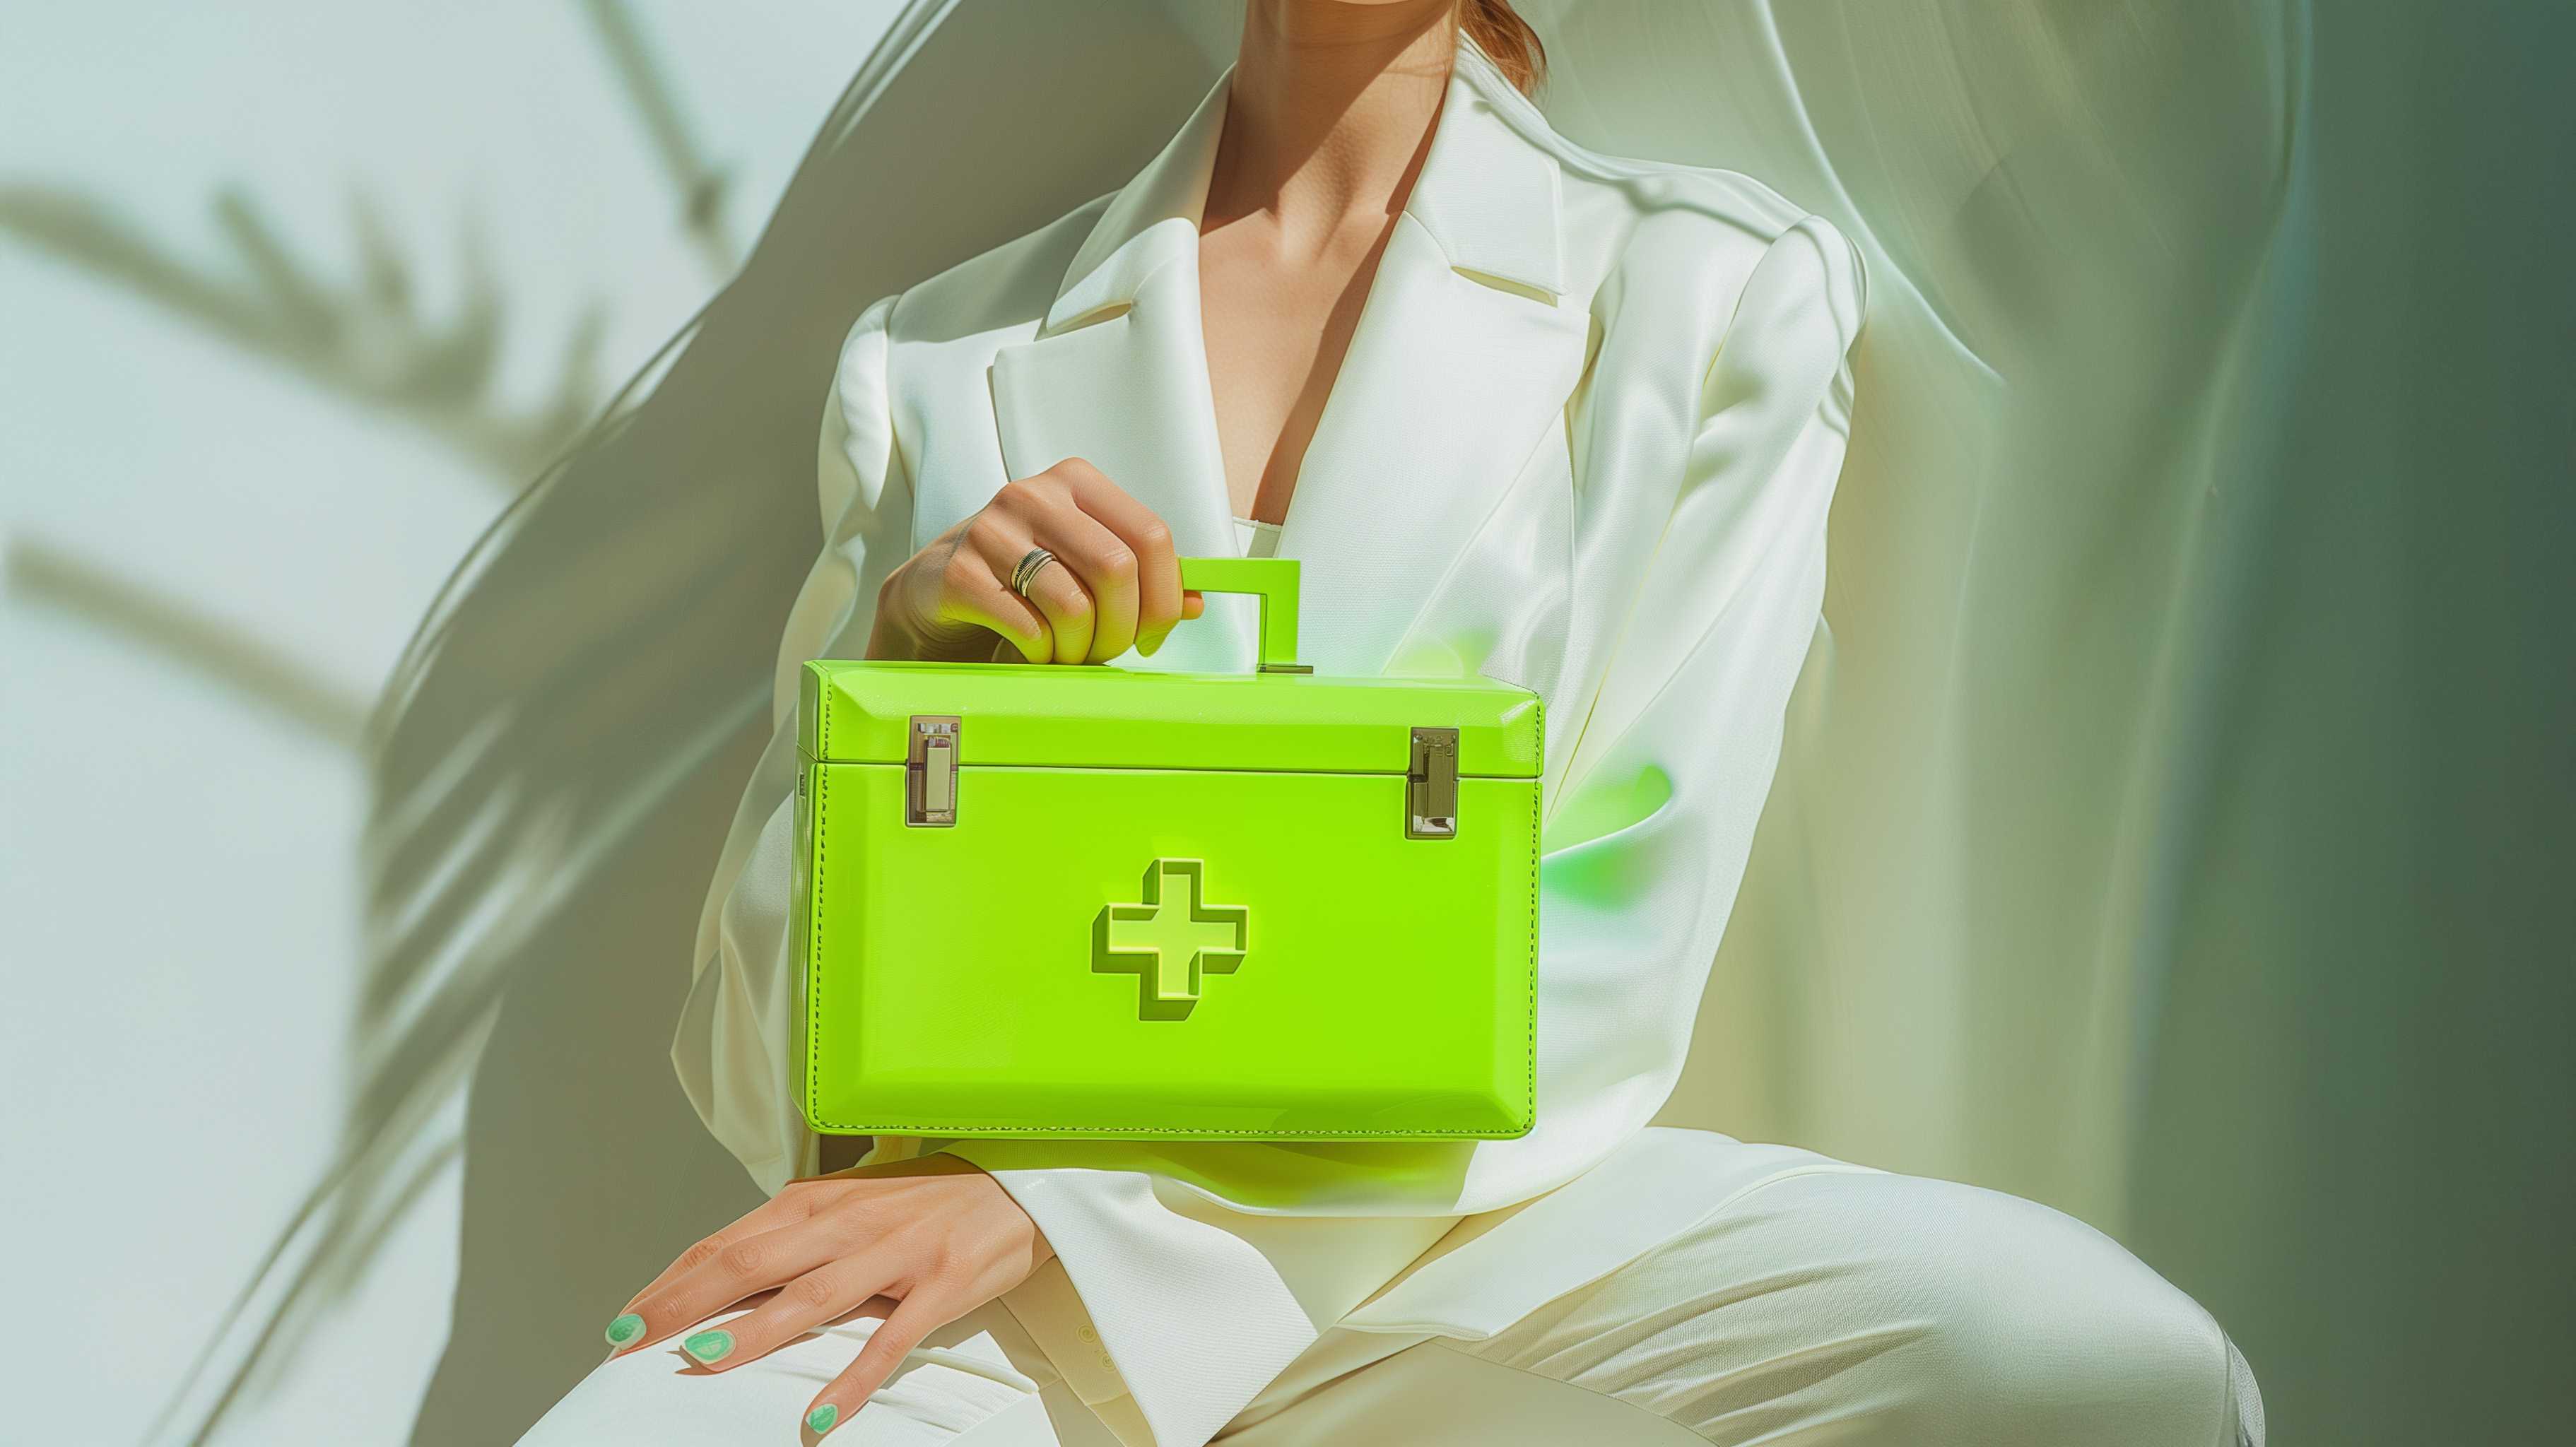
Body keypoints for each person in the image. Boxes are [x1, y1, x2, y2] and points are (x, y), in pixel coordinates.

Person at [519, 3, 2262, 1442]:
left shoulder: (1708, 293)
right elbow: (760, 1063)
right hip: (997, 1284)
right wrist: (914, 680)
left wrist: (1083, 1208)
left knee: (2104, 1364)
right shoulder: (934, 355)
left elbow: (1613, 932)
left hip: (1478, 1229)